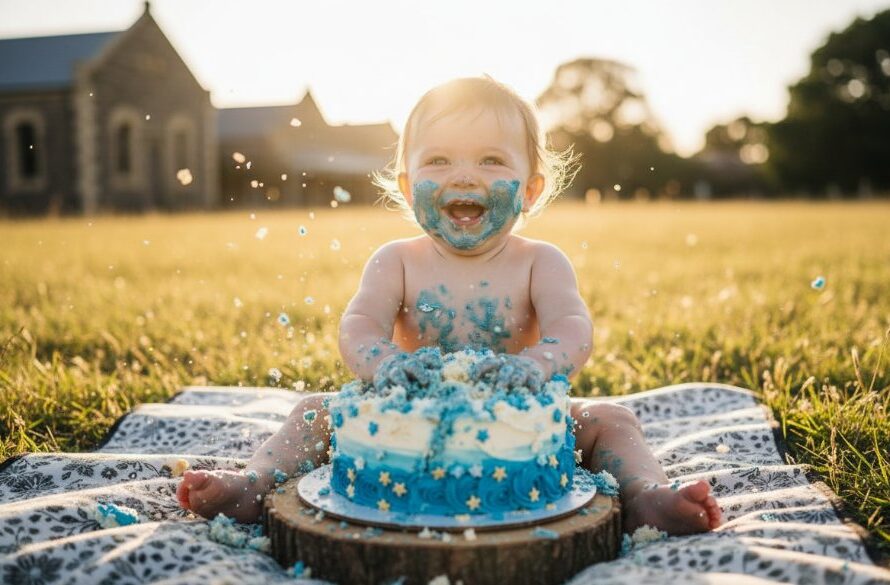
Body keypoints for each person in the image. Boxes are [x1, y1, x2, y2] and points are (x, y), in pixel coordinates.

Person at [177, 76, 722, 534]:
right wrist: (384, 364)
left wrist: (534, 366)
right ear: (409, 185)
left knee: (611, 417)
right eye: (438, 160)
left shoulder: (539, 261)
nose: (464, 175)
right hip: (402, 420)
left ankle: (646, 496)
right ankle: (252, 485)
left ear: (529, 190)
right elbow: (360, 326)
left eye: (490, 159)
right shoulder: (398, 260)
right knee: (312, 412)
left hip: (519, 418)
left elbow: (573, 328)